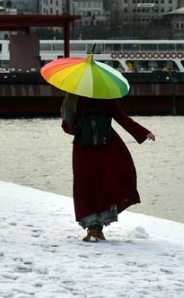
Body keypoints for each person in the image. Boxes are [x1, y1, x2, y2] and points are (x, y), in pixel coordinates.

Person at [61, 93, 155, 242]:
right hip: (107, 147)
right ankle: (98, 229)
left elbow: (67, 127)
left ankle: (93, 229)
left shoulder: (72, 98)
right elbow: (121, 118)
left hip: (83, 149)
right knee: (105, 185)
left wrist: (81, 124)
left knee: (86, 188)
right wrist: (143, 132)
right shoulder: (105, 97)